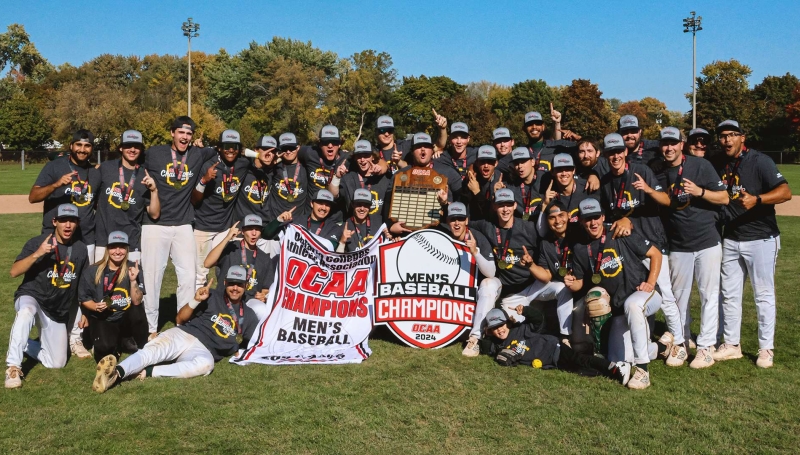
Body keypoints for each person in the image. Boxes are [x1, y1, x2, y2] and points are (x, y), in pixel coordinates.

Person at [92, 265, 270, 392]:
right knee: (152, 353)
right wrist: (196, 300)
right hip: (185, 334)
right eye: (231, 283)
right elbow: (180, 318)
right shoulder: (211, 295)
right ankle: (115, 373)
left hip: (205, 350)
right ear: (225, 282)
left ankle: (148, 372)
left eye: (239, 284)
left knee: (206, 366)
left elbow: (255, 343)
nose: (235, 288)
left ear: (246, 286)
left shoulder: (249, 315)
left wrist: (241, 350)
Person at [714, 119, 791, 369]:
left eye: (731, 135)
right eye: (722, 136)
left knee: (764, 295)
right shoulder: (720, 162)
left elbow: (785, 192)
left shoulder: (760, 161)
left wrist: (758, 199)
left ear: (742, 137)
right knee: (729, 295)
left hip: (761, 238)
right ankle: (731, 345)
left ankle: (766, 349)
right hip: (731, 237)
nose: (726, 140)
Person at [597, 132, 683, 356]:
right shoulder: (606, 182)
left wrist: (648, 190)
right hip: (628, 247)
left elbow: (667, 201)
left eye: (618, 151)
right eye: (611, 153)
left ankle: (680, 343)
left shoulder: (641, 171)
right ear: (606, 155)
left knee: (663, 292)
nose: (615, 156)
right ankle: (647, 338)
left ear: (625, 151)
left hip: (652, 241)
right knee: (638, 292)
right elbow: (607, 216)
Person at [566, 198, 664, 389]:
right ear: (581, 221)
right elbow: (580, 283)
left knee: (633, 305)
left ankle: (643, 371)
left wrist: (650, 283)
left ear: (603, 217)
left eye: (596, 217)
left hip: (643, 294)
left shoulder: (619, 232)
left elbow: (656, 254)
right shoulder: (579, 248)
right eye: (588, 219)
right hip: (619, 310)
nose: (593, 223)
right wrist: (572, 283)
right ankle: (663, 347)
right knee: (618, 359)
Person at [652, 127, 729, 368]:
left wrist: (700, 191)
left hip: (707, 240)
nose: (669, 148)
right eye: (665, 143)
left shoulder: (700, 166)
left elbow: (724, 198)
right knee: (678, 298)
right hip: (678, 244)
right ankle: (682, 342)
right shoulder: (658, 171)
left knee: (709, 295)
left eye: (673, 143)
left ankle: (705, 347)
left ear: (681, 144)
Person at [140, 116, 218, 339]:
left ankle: (183, 323)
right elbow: (133, 166)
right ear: (172, 133)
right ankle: (150, 328)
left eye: (189, 134)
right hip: (155, 225)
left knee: (188, 275)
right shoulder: (154, 153)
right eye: (181, 133)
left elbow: (215, 152)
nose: (185, 137)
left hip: (184, 223)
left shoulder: (196, 154)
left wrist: (202, 147)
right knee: (153, 277)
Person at [5, 204, 90, 389]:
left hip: (56, 310)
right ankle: (13, 367)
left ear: (77, 224)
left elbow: (83, 284)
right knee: (26, 311)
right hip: (32, 296)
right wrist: (38, 253)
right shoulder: (38, 242)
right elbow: (14, 272)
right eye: (63, 220)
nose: (68, 225)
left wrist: (85, 311)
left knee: (57, 363)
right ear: (55, 222)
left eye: (72, 221)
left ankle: (24, 344)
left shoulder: (80, 250)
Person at [479, 308, 633, 386]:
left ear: (508, 321)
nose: (500, 329)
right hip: (552, 362)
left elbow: (538, 319)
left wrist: (525, 310)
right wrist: (484, 336)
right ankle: (605, 372)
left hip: (555, 348)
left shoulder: (521, 329)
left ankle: (617, 367)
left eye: (502, 324)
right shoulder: (499, 345)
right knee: (579, 370)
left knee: (580, 359)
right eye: (494, 328)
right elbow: (486, 348)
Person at [468, 189, 543, 327]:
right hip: (508, 292)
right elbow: (462, 226)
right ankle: (476, 336)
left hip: (532, 286)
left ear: (515, 205)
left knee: (559, 287)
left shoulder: (529, 228)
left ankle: (565, 337)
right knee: (516, 327)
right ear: (494, 206)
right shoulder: (487, 226)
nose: (505, 209)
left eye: (509, 205)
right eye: (501, 205)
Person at [431, 203, 496, 357]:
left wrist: (475, 252)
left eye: (460, 219)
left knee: (489, 285)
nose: (457, 223)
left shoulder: (477, 237)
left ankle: (475, 339)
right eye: (453, 219)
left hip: (479, 287)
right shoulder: (442, 234)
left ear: (466, 220)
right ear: (448, 221)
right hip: (455, 289)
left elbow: (491, 272)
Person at [192, 129, 251, 289]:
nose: (230, 150)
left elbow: (260, 159)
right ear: (219, 147)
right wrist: (204, 180)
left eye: (234, 146)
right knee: (200, 273)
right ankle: (194, 311)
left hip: (225, 228)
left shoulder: (243, 163)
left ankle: (221, 307)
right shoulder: (207, 163)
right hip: (203, 227)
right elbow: (195, 200)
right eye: (226, 146)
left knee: (226, 269)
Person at [78, 231, 147, 363]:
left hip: (125, 316)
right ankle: (113, 342)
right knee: (105, 349)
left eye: (121, 247)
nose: (117, 251)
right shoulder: (93, 271)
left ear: (126, 250)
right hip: (104, 316)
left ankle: (130, 339)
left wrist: (133, 281)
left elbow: (137, 301)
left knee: (137, 312)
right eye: (113, 247)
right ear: (107, 249)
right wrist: (94, 306)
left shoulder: (133, 268)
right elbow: (84, 298)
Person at [94, 129, 160, 263]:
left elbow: (154, 214)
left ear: (141, 149)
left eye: (136, 146)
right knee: (100, 283)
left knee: (130, 283)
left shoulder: (145, 175)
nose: (132, 149)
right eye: (128, 146)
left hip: (130, 243)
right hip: (103, 239)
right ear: (120, 148)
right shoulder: (105, 168)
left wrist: (154, 191)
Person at [204, 214, 274, 302]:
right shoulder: (231, 248)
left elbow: (266, 288)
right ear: (243, 231)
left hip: (249, 302)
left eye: (257, 229)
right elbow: (207, 263)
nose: (254, 233)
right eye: (250, 229)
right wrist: (227, 238)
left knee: (261, 310)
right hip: (224, 299)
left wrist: (263, 296)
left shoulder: (265, 258)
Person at [329, 139, 392, 219]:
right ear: (355, 158)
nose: (362, 160)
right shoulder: (348, 178)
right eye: (359, 156)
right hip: (354, 228)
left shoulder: (384, 178)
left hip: (378, 228)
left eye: (366, 156)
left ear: (372, 157)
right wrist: (337, 177)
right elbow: (333, 195)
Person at [374, 112, 447, 171]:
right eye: (382, 130)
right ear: (376, 132)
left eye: (389, 130)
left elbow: (439, 145)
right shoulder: (373, 152)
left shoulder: (406, 145)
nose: (386, 134)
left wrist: (442, 128)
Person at [265, 133, 310, 220]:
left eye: (292, 148)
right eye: (285, 149)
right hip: (274, 218)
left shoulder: (306, 167)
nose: (288, 151)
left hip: (296, 222)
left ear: (298, 148)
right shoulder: (275, 166)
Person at [237, 135, 278, 221]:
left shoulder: (273, 170)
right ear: (256, 149)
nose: (268, 154)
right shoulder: (244, 167)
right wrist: (257, 155)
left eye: (272, 151)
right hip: (243, 224)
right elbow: (237, 150)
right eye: (265, 149)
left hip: (264, 223)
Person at [464, 145, 502, 222]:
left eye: (490, 161)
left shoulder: (502, 180)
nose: (486, 165)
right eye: (482, 161)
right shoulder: (472, 178)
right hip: (474, 222)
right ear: (477, 163)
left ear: (496, 163)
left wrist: (477, 192)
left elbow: (491, 214)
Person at [504, 147, 543, 220]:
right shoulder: (511, 187)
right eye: (516, 163)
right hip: (526, 226)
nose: (520, 166)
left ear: (532, 162)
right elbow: (525, 217)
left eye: (523, 161)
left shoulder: (545, 179)